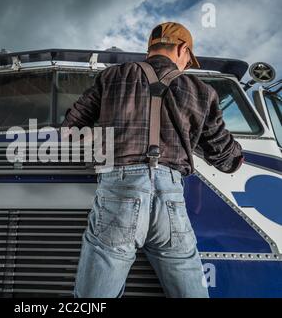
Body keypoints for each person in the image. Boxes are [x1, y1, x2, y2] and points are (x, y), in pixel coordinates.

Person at [60, 22, 244, 298]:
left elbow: (71, 131)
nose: (186, 66)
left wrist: (111, 139)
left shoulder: (113, 77)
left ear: (151, 47)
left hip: (119, 188)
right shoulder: (201, 91)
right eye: (188, 59)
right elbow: (225, 159)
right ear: (182, 49)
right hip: (171, 194)